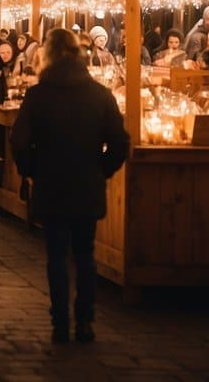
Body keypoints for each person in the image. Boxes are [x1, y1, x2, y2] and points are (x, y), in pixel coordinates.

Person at [10, 28, 129, 344]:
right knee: (85, 255)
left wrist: (32, 169)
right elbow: (120, 142)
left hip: (51, 183)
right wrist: (101, 170)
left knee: (57, 256)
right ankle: (86, 320)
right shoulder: (99, 95)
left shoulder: (38, 96)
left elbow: (19, 141)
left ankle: (60, 320)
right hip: (86, 183)